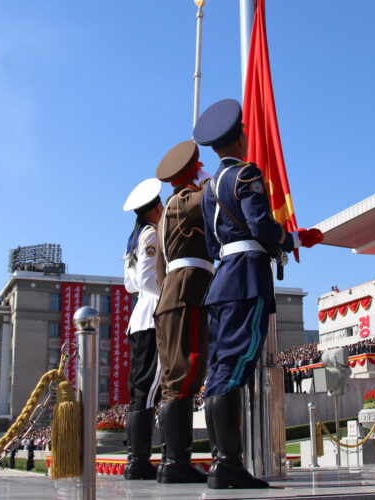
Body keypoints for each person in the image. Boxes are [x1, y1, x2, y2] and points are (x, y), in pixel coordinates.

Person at [194, 99, 323, 489]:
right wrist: (293, 238)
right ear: (239, 137)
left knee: (219, 372)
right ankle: (228, 465)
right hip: (247, 279)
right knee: (233, 371)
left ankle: (222, 463)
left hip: (222, 281)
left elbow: (214, 245)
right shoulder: (246, 175)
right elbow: (262, 227)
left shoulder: (208, 188)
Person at [152, 140, 213, 483]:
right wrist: (205, 179)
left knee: (176, 380)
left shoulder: (166, 213)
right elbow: (214, 198)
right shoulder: (184, 201)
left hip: (173, 294)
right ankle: (175, 463)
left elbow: (161, 270)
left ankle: (173, 461)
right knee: (185, 375)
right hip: (186, 292)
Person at [121, 178, 164, 480]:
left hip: (139, 316)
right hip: (152, 315)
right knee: (148, 390)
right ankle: (139, 461)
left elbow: (129, 283)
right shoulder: (150, 234)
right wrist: (170, 292)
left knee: (140, 390)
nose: (163, 209)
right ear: (152, 210)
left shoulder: (134, 236)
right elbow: (148, 280)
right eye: (160, 205)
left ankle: (136, 458)